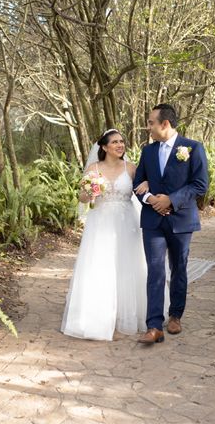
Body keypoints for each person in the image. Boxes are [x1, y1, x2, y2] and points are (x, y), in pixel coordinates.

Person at [61, 129, 157, 340]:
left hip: (126, 221)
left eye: (122, 141)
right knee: (102, 266)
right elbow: (83, 199)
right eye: (115, 142)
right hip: (101, 222)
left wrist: (148, 183)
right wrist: (91, 191)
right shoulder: (94, 169)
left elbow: (144, 188)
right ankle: (100, 317)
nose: (120, 145)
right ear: (104, 147)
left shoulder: (131, 168)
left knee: (128, 265)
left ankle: (129, 315)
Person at [133, 104, 209, 344]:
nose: (149, 127)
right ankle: (154, 325)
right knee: (155, 270)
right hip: (153, 221)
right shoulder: (147, 151)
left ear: (164, 124)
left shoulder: (193, 148)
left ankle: (175, 315)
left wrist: (171, 200)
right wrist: (150, 199)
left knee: (179, 268)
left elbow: (200, 184)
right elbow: (137, 184)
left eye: (151, 122)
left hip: (181, 220)